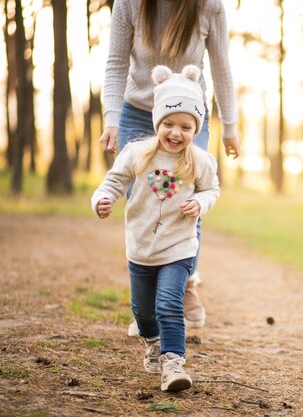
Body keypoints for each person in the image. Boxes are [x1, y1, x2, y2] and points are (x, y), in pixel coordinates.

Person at [98, 0, 240, 332]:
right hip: (138, 110)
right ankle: (146, 300)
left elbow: (221, 68)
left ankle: (185, 281)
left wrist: (230, 127)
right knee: (142, 195)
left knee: (187, 195)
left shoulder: (209, 6)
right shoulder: (130, 3)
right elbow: (117, 61)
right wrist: (110, 119)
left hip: (189, 114)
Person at [92, 65, 220, 391]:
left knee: (168, 305)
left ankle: (173, 363)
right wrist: (103, 199)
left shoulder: (200, 161)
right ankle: (152, 342)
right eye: (169, 124)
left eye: (186, 127)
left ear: (197, 128)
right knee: (144, 312)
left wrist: (201, 203)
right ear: (157, 122)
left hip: (178, 247)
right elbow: (113, 182)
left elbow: (211, 190)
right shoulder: (136, 153)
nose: (176, 133)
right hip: (140, 248)